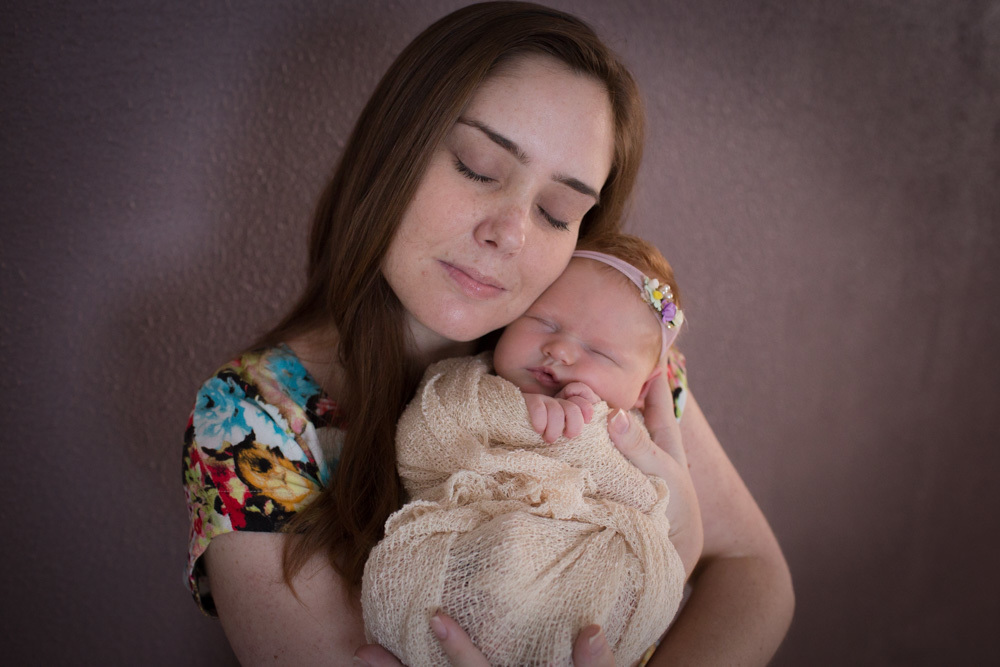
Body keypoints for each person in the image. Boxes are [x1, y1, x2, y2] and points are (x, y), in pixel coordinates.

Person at [181, 3, 794, 665]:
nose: (511, 232)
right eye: (477, 167)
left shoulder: (600, 363)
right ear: (394, 151)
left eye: (558, 211)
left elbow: (757, 573)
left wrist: (679, 543)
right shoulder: (250, 424)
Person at [362, 235, 698, 666]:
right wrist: (515, 414)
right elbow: (424, 442)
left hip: (581, 600)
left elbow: (649, 515)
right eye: (544, 322)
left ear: (644, 388)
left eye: (599, 352)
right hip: (466, 569)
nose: (560, 349)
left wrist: (593, 442)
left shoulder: (636, 435)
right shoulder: (466, 387)